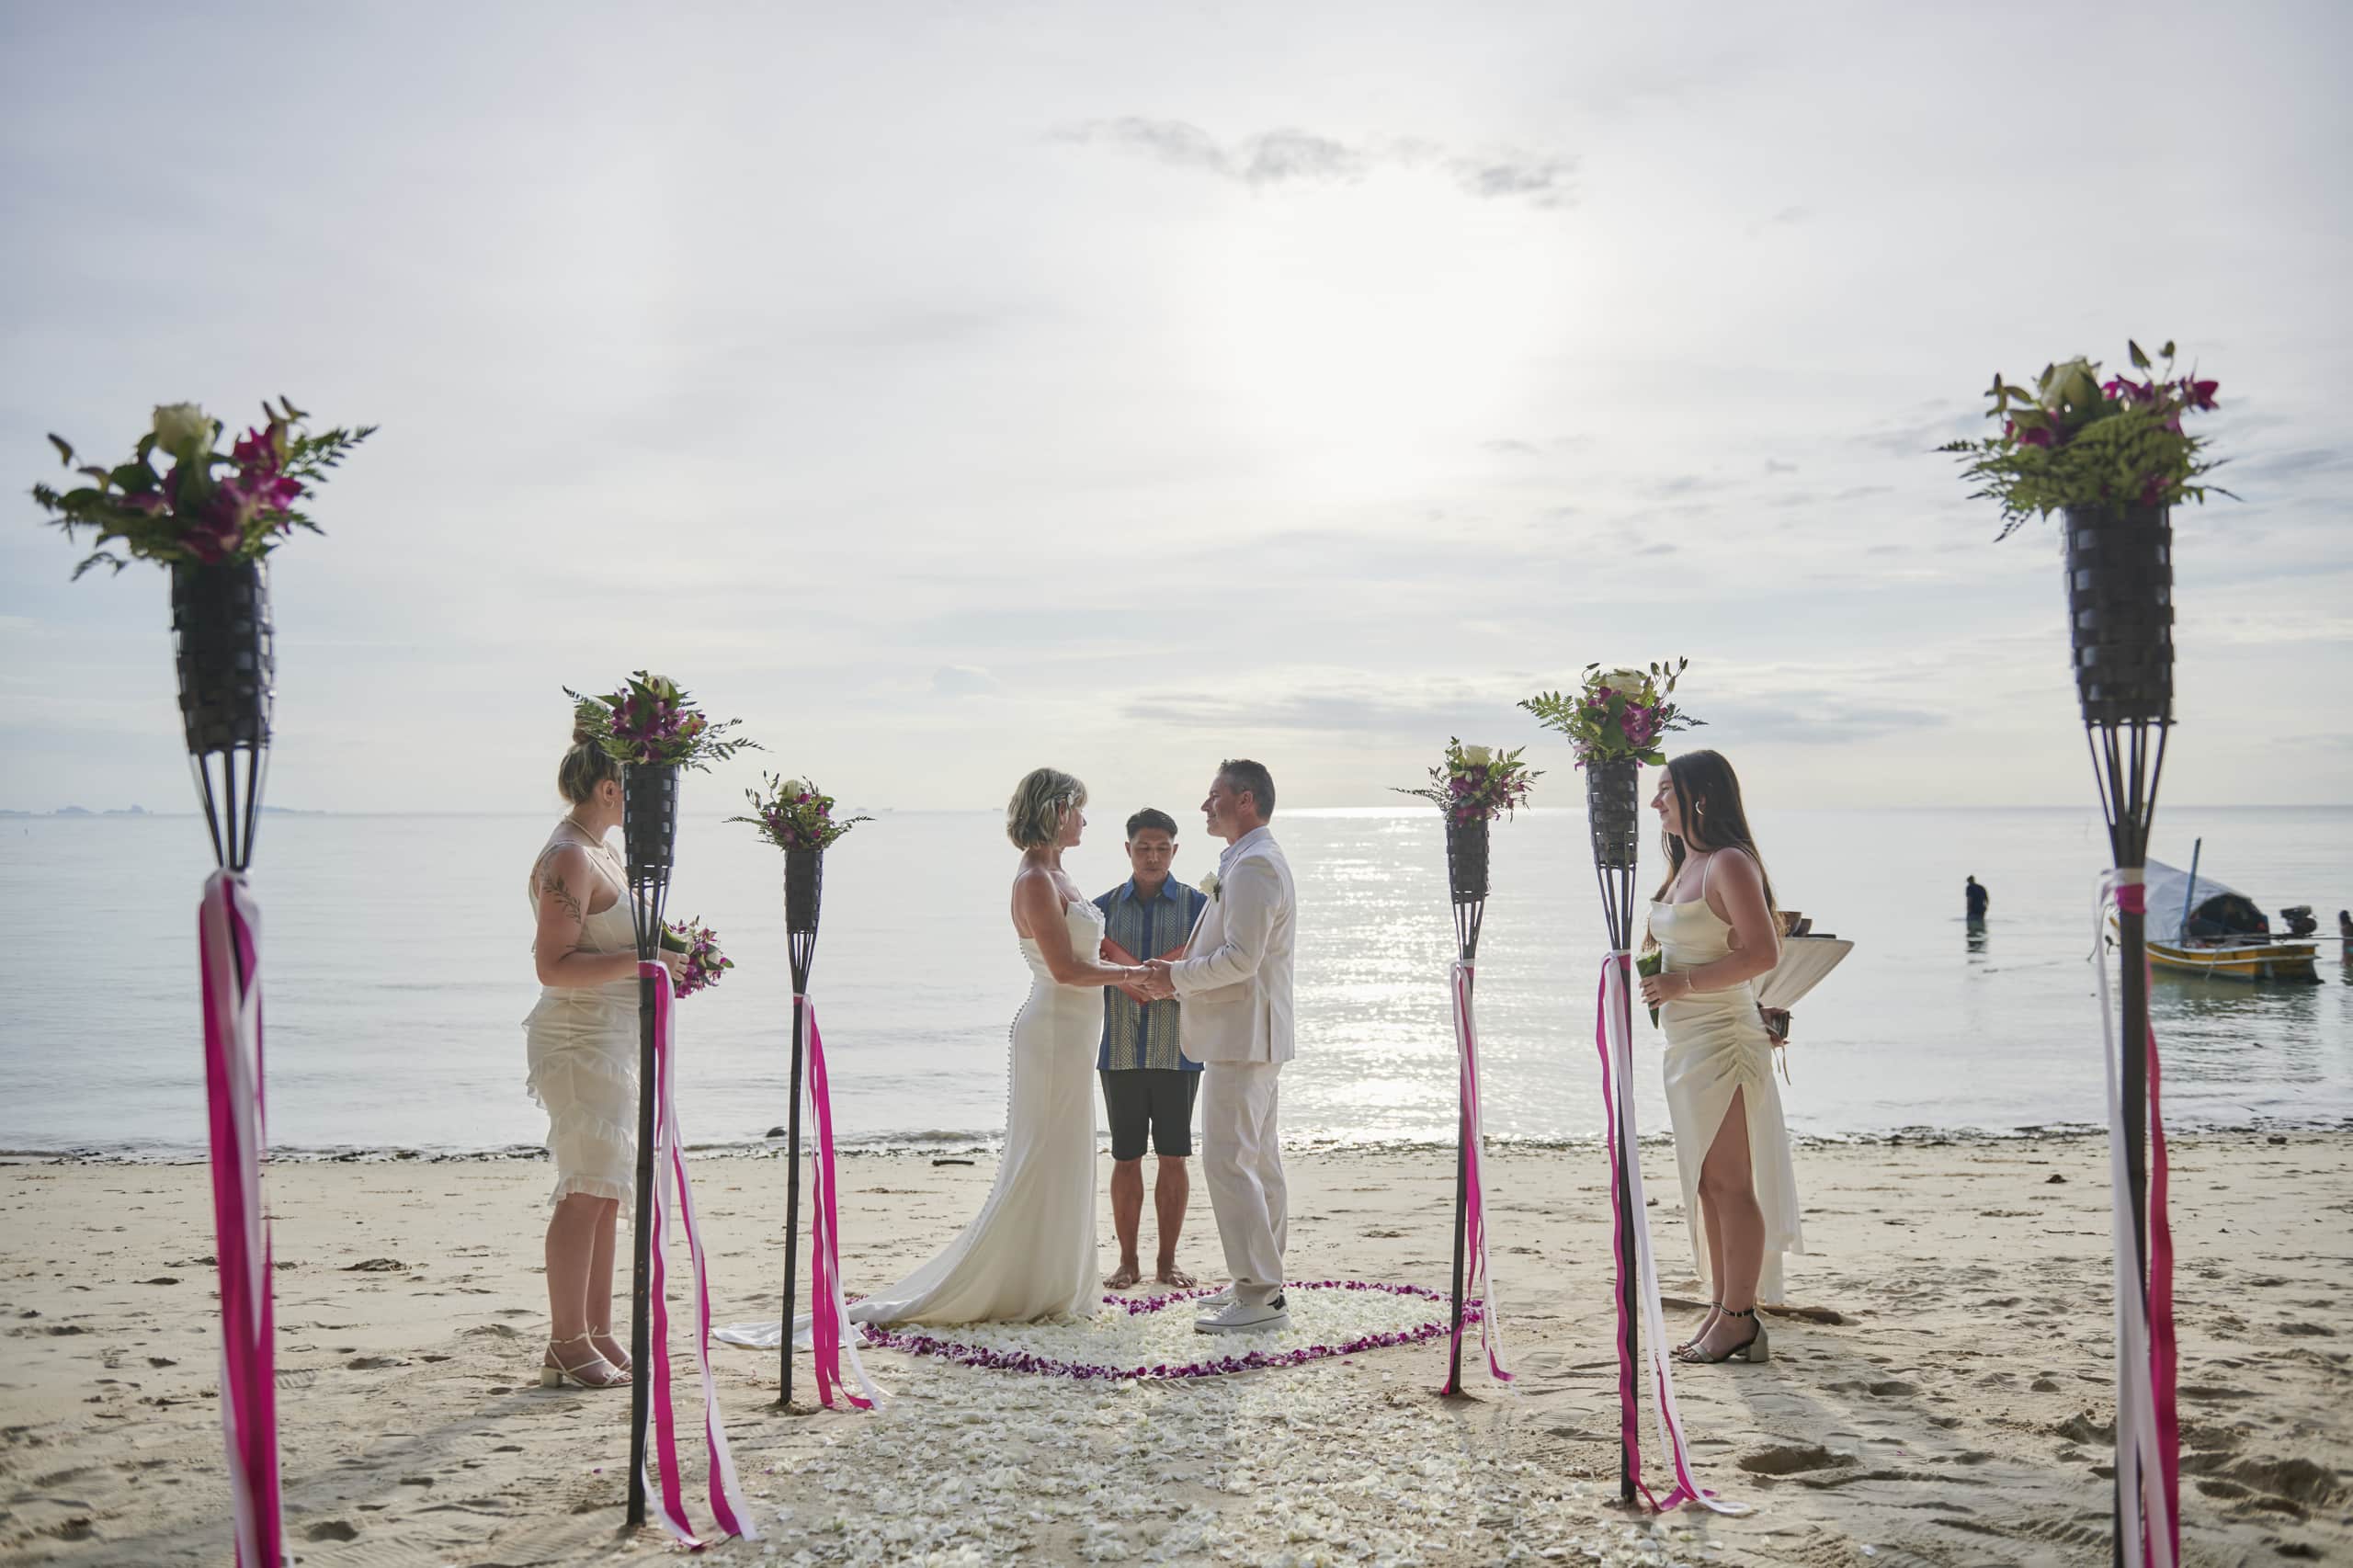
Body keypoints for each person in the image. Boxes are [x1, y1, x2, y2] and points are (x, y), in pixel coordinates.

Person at [714, 768, 1150, 1348]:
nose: (1086, 821)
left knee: (1067, 1153)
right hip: (1051, 1033)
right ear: (1055, 810)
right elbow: (1067, 970)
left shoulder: (1059, 874)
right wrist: (1131, 977)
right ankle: (1024, 1281)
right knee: (1044, 1154)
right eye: (1079, 810)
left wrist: (1133, 973)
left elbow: (1088, 955)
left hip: (1075, 1033)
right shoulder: (1034, 881)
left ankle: (1055, 1279)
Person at [524, 721, 686, 1390]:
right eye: (637, 790)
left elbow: (612, 941)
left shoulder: (602, 852)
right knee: (585, 1189)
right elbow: (553, 965)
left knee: (610, 1191)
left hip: (614, 1036)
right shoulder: (568, 857)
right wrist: (647, 961)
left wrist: (672, 957)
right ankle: (565, 1342)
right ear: (610, 789)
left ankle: (597, 1330)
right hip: (577, 1039)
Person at [1638, 750, 1802, 1366]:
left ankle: (1740, 1318)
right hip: (1686, 1043)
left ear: (1700, 796)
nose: (1655, 803)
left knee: (1731, 1182)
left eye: (1666, 791)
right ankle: (1721, 1305)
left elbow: (1762, 953)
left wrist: (1682, 985)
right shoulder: (1686, 864)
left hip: (1723, 1040)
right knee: (1707, 1182)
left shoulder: (1729, 862)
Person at [1140, 759, 1297, 1335]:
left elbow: (1241, 959)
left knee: (1230, 1162)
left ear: (1245, 800)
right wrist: (1178, 972)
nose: (1206, 807)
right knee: (1256, 1162)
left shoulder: (1255, 864)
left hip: (1243, 1036)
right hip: (1251, 1034)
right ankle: (1261, 1282)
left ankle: (1260, 1294)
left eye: (1214, 796)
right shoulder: (1246, 858)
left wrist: (1174, 978)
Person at [1094, 808, 1211, 1290]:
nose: (1153, 857)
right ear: (1128, 849)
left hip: (1178, 1050)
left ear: (1175, 851)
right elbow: (1084, 968)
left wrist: (1168, 979)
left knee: (1174, 1156)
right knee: (1124, 1157)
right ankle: (1127, 1261)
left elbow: (1212, 967)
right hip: (1120, 1050)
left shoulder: (1200, 907)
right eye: (1143, 847)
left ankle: (1166, 1262)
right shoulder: (1101, 909)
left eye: (1162, 848)